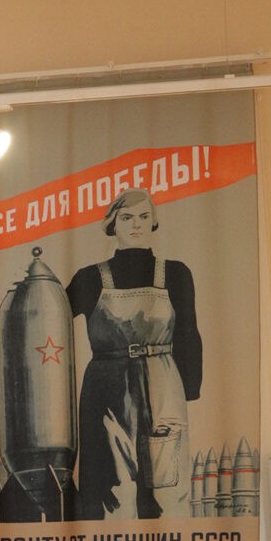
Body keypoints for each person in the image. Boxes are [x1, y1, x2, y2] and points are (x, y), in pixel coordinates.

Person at [65, 188, 202, 518]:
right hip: (105, 385)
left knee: (165, 477)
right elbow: (52, 317)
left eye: (144, 216)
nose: (136, 224)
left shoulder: (176, 273)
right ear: (113, 224)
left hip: (162, 383)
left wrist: (189, 388)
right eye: (127, 218)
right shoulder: (89, 277)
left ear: (154, 221)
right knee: (109, 486)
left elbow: (188, 332)